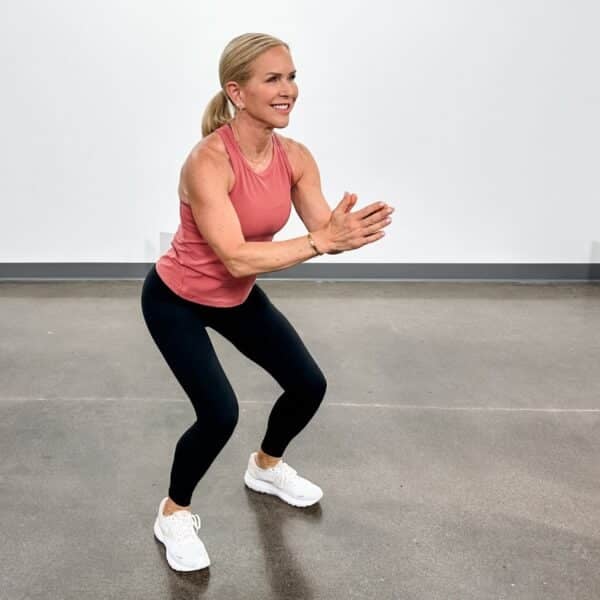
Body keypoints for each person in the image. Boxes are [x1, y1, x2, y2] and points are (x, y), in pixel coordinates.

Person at [140, 32, 394, 572]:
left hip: (236, 297)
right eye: (273, 79)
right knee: (218, 413)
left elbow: (319, 228)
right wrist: (322, 241)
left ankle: (265, 465)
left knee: (308, 384)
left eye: (293, 77)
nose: (289, 91)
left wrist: (340, 231)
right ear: (236, 91)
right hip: (176, 299)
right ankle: (173, 511)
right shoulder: (208, 161)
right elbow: (234, 256)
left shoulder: (295, 157)